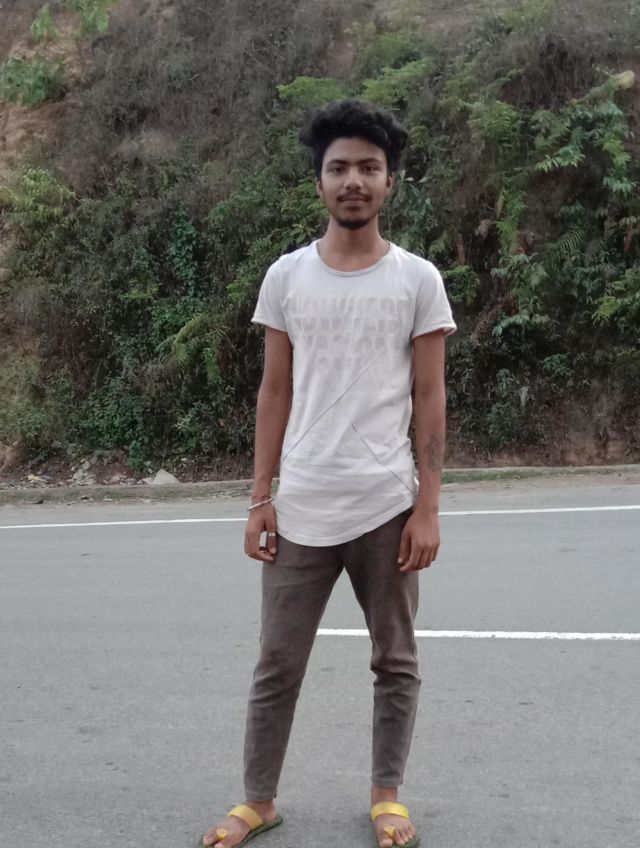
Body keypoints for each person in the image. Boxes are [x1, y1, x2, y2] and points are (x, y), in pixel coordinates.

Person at [202, 99, 457, 848]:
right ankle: (258, 801)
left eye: (369, 168)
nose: (354, 180)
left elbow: (430, 397)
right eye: (339, 167)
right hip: (303, 507)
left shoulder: (417, 280)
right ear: (318, 181)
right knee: (277, 664)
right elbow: (274, 391)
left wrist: (428, 507)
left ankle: (386, 797)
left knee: (395, 660)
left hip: (387, 506)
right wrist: (260, 498)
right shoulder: (287, 277)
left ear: (390, 181)